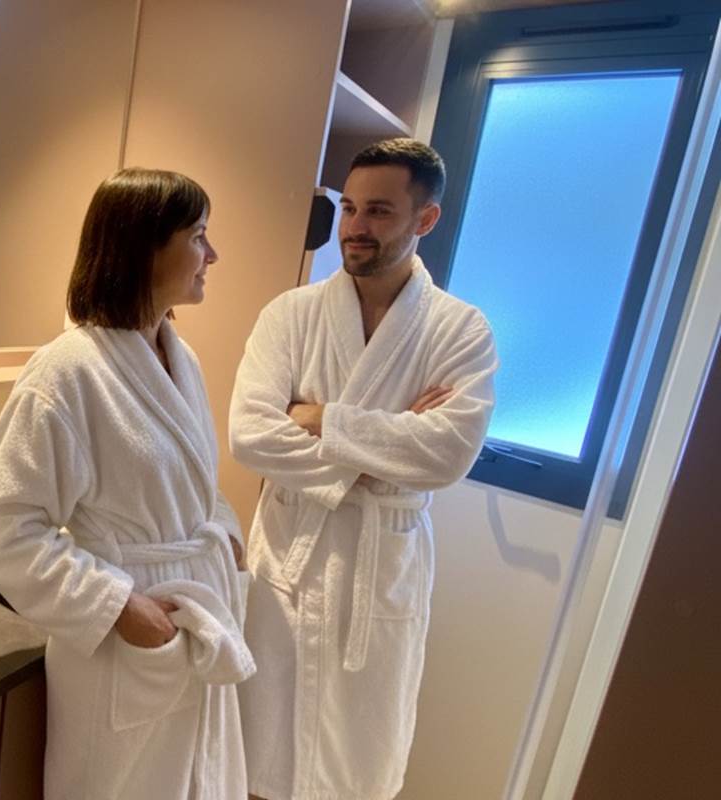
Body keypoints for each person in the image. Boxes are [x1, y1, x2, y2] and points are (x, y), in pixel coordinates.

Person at [0, 167, 253, 799]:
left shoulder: (181, 358)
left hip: (188, 603)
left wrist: (225, 532)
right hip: (129, 634)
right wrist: (119, 606)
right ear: (145, 244)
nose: (213, 255)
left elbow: (194, 481)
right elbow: (3, 529)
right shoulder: (67, 374)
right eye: (199, 235)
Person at [230, 138, 499, 800]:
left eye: (379, 211)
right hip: (288, 561)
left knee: (357, 760)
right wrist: (387, 448)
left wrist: (323, 416)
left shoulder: (462, 332)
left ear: (424, 219)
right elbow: (249, 436)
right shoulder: (289, 315)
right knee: (260, 751)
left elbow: (447, 454)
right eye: (349, 207)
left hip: (378, 572)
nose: (354, 227)